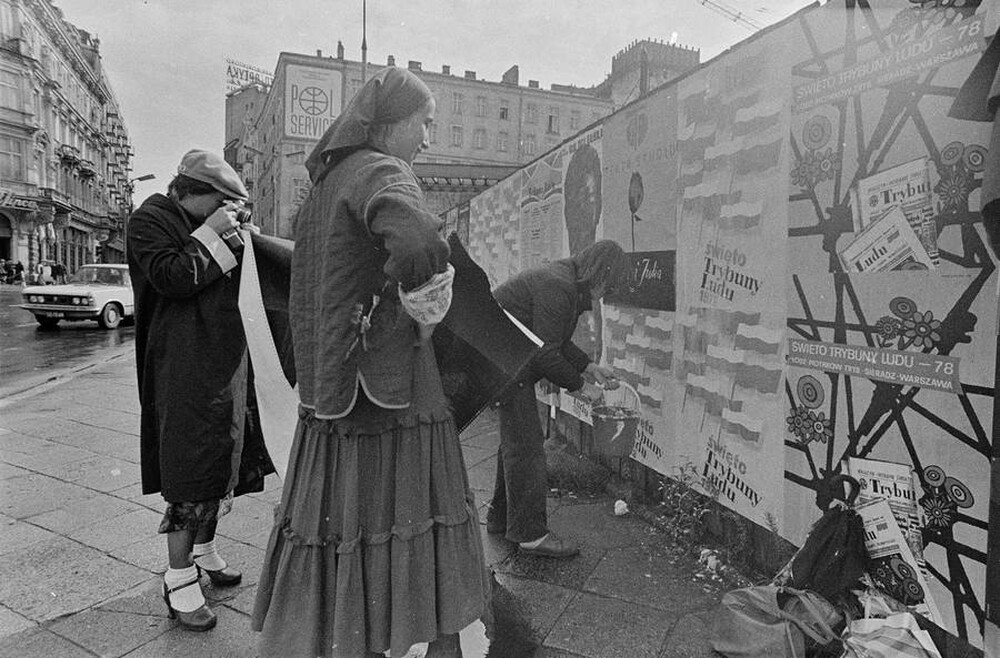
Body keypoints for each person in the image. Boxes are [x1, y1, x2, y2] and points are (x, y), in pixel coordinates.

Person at [252, 67, 489, 658]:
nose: (428, 138)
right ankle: (439, 644)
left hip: (331, 386)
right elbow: (419, 245)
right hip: (386, 383)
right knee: (417, 506)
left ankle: (353, 640)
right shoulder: (385, 170)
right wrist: (417, 310)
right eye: (425, 123)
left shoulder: (327, 184)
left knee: (346, 520)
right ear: (389, 123)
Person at [128, 149, 274, 633]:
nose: (232, 213)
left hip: (223, 361)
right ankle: (178, 576)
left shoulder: (212, 224)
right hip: (182, 367)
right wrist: (216, 232)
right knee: (191, 468)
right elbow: (173, 277)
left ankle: (206, 551)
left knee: (221, 460)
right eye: (224, 203)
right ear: (194, 192)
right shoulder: (150, 218)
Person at [486, 239, 627, 558]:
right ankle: (531, 535)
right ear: (601, 273)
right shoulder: (559, 286)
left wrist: (589, 367)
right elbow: (545, 353)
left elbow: (555, 340)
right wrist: (581, 386)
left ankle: (500, 518)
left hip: (503, 358)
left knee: (516, 443)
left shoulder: (566, 281)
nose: (605, 295)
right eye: (609, 286)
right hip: (505, 364)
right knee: (527, 448)